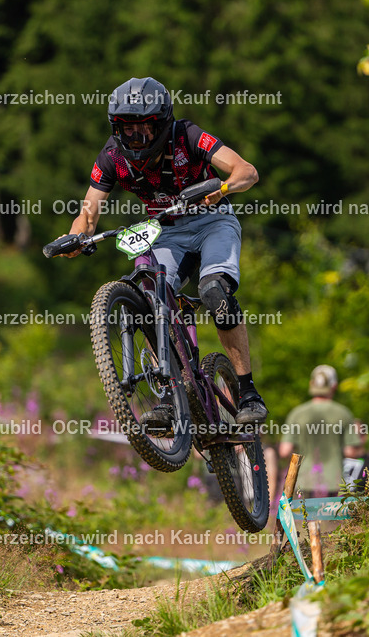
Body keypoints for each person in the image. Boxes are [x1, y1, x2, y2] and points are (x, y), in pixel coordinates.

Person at [59, 76, 268, 429]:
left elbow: (247, 170)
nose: (136, 138)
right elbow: (88, 212)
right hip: (168, 232)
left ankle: (248, 393)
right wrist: (76, 239)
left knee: (214, 291)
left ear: (163, 124)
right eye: (128, 130)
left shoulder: (186, 135)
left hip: (213, 221)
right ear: (116, 129)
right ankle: (171, 396)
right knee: (148, 295)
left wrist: (222, 189)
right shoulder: (111, 157)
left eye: (145, 129)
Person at [278, 365, 369, 496]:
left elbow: (284, 451)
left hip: (303, 483)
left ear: (311, 383)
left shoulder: (297, 413)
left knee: (305, 516)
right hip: (334, 483)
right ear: (334, 386)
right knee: (330, 517)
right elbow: (350, 452)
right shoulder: (343, 413)